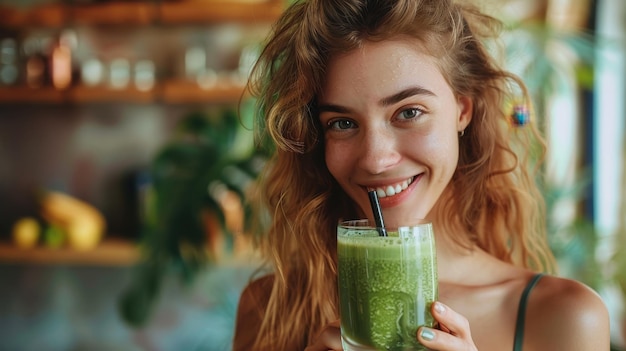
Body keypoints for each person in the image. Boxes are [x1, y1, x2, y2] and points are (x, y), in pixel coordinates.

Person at [233, 0, 610, 350]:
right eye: (343, 122)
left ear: (463, 110)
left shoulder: (564, 318)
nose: (376, 159)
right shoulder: (269, 308)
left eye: (409, 112)